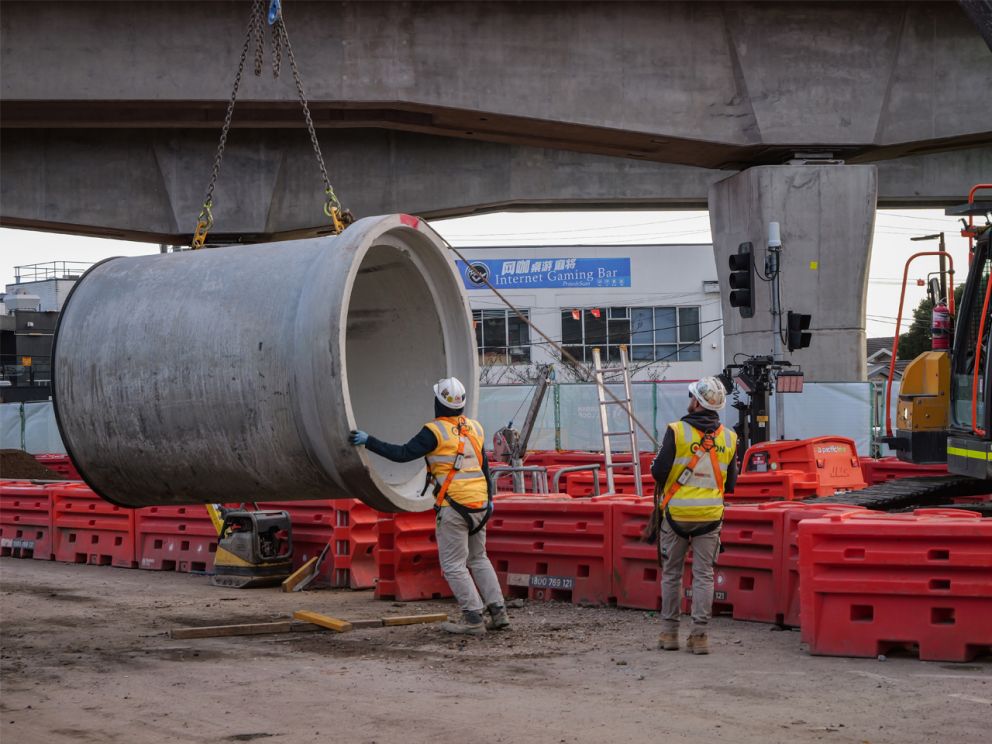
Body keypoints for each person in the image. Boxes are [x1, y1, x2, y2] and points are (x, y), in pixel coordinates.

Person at [348, 376, 509, 636]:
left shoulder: (434, 432)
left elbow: (401, 454)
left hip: (455, 506)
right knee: (479, 558)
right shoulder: (475, 428)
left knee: (454, 565)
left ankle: (473, 619)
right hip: (480, 504)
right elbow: (485, 467)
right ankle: (498, 612)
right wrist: (489, 500)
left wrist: (369, 441)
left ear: (438, 402)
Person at [650, 376, 737, 655]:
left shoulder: (676, 431)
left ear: (696, 401)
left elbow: (658, 472)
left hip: (675, 515)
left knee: (672, 574)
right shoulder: (730, 438)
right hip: (710, 516)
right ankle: (699, 636)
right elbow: (732, 483)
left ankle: (669, 633)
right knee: (703, 576)